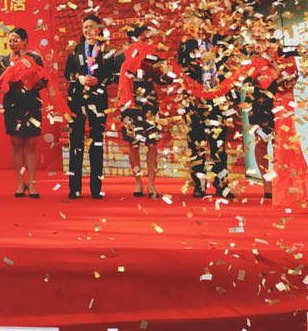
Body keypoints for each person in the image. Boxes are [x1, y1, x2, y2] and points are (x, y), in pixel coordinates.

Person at [178, 11, 235, 198]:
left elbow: (231, 67)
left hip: (218, 100)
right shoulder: (187, 46)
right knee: (196, 142)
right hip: (195, 101)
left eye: (205, 24)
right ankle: (199, 183)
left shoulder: (221, 43)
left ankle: (221, 183)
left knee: (218, 142)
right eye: (198, 24)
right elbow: (183, 72)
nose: (202, 28)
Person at [243, 18, 299, 199]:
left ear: (270, 32)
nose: (257, 34)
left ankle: (279, 181)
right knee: (261, 141)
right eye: (254, 30)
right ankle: (266, 182)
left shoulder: (281, 49)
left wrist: (280, 71)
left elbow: (293, 73)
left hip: (278, 101)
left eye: (261, 30)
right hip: (257, 101)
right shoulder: (249, 52)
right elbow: (241, 75)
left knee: (279, 142)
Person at [119, 25, 174, 199]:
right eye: (143, 39)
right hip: (129, 105)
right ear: (132, 39)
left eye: (147, 39)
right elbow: (114, 79)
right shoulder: (121, 57)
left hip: (149, 104)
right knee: (133, 144)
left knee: (152, 144)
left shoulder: (152, 57)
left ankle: (151, 182)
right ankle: (138, 182)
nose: (146, 42)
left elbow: (162, 80)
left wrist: (168, 73)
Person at [64, 14, 115, 200]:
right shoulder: (75, 49)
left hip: (98, 100)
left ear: (99, 29)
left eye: (91, 26)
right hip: (77, 100)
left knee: (97, 142)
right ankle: (74, 188)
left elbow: (112, 75)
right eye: (85, 27)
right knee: (76, 142)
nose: (87, 30)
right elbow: (67, 74)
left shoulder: (106, 50)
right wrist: (79, 78)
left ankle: (96, 188)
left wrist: (98, 81)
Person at [0, 28, 44, 198]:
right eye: (10, 40)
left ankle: (32, 183)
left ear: (25, 41)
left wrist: (32, 81)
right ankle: (19, 182)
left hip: (31, 103)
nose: (12, 43)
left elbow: (42, 81)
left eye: (16, 40)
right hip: (12, 104)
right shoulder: (3, 60)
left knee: (30, 144)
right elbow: (0, 84)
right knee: (16, 144)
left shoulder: (35, 58)